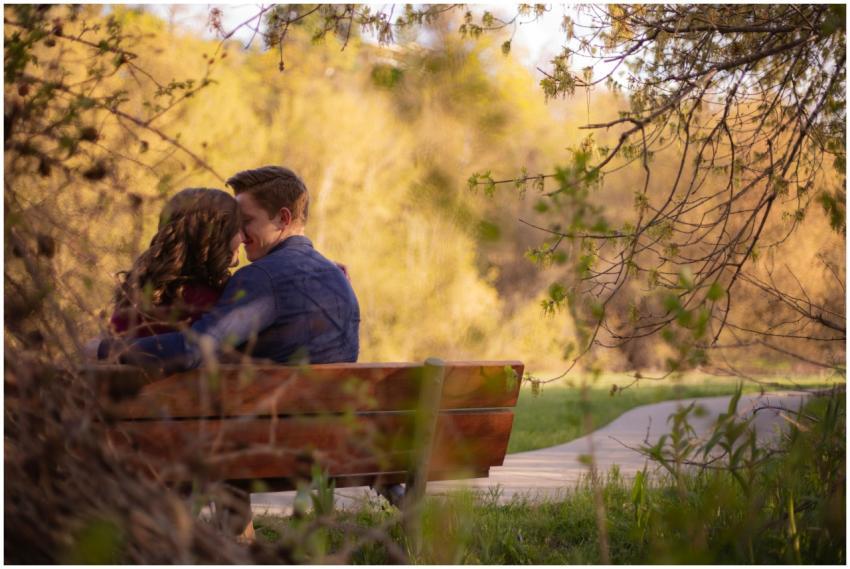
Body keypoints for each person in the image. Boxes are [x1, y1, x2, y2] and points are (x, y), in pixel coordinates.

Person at [103, 166, 360, 372]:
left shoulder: (261, 279)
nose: (240, 234)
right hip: (337, 426)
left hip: (267, 430)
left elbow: (195, 350)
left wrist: (106, 350)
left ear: (283, 218)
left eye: (246, 221)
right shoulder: (337, 279)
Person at [109, 188, 243, 338]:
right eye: (237, 229)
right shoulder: (209, 302)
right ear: (214, 237)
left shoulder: (137, 288)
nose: (243, 238)